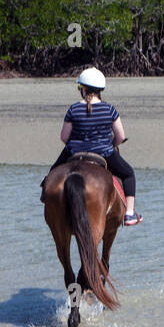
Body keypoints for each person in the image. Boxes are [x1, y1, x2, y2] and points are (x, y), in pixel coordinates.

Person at [46, 67, 142, 226]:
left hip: (74, 150)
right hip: (104, 152)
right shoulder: (110, 109)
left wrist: (76, 145)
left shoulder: (73, 109)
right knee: (128, 174)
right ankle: (130, 214)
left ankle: (46, 197)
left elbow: (64, 137)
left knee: (51, 175)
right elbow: (121, 136)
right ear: (100, 90)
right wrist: (112, 146)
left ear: (83, 89)